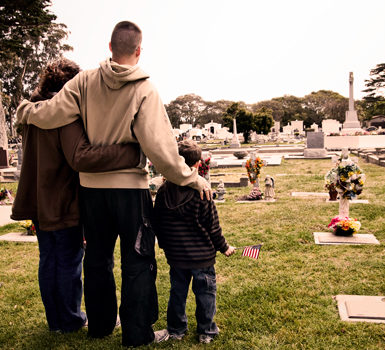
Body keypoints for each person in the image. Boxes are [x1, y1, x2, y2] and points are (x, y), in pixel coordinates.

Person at [16, 21, 211, 347]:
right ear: (138, 50)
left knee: (97, 260)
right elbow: (161, 150)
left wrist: (25, 110)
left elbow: (50, 113)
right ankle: (136, 334)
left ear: (109, 47)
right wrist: (191, 177)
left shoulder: (83, 81)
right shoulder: (146, 89)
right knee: (137, 260)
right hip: (130, 191)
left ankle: (100, 326)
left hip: (91, 192)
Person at [11, 58, 141, 333]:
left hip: (39, 197)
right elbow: (81, 157)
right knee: (69, 260)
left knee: (49, 259)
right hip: (62, 197)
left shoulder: (34, 110)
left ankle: (56, 321)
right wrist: (131, 152)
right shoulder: (62, 112)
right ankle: (70, 319)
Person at [154, 140, 235, 344]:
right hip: (202, 257)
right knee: (205, 294)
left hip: (177, 256)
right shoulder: (203, 191)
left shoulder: (163, 192)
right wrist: (224, 247)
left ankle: (176, 329)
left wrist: (165, 246)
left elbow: (158, 224)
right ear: (198, 164)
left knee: (177, 293)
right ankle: (206, 331)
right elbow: (212, 226)